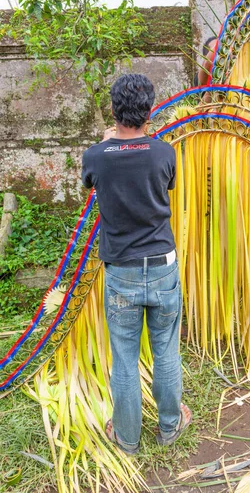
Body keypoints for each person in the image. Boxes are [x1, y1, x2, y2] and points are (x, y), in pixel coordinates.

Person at [81, 73, 192, 454]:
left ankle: (126, 437)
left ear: (113, 110)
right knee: (165, 350)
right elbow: (166, 185)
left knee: (125, 356)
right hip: (162, 265)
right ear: (150, 111)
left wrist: (109, 141)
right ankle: (170, 425)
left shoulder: (96, 155)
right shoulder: (165, 152)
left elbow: (91, 178)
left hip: (122, 270)